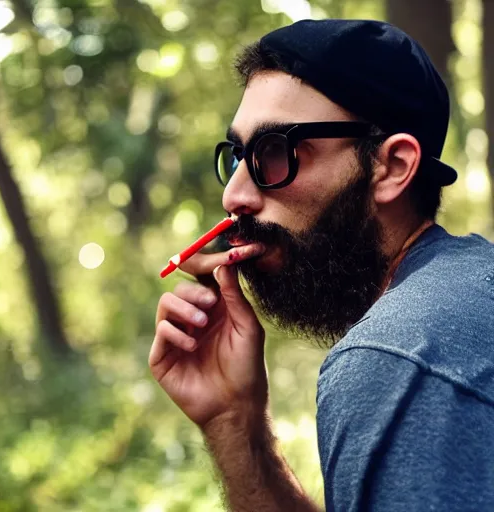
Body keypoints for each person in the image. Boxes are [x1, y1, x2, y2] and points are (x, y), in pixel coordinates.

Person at [149, 19, 494, 511]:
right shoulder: (468, 289)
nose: (233, 195)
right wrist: (233, 420)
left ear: (392, 167)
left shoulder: (397, 355)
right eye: (238, 156)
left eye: (276, 152)